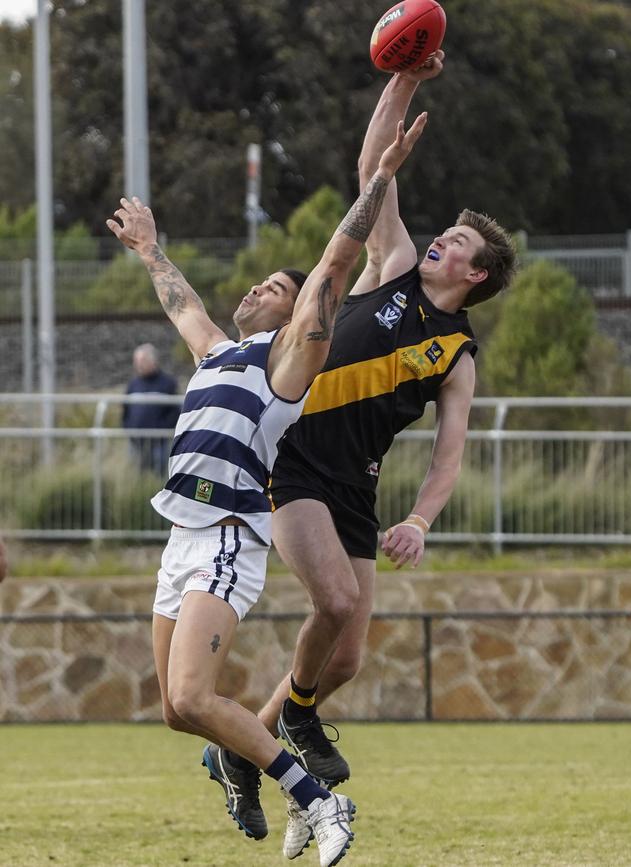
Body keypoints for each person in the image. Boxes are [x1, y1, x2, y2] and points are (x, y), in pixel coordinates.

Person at [106, 112, 427, 867]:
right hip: (181, 536)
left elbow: (335, 265)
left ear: (295, 316)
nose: (260, 287)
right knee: (178, 712)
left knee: (192, 696)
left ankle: (319, 799)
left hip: (226, 537)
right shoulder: (218, 351)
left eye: (275, 286)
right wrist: (151, 248)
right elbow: (180, 303)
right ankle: (246, 762)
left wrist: (380, 178)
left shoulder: (286, 365)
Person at [237, 50, 517, 854]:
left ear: (479, 272)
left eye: (458, 241)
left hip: (353, 484)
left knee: (349, 653)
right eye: (445, 231)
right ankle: (287, 723)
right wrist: (405, 80)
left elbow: (448, 456)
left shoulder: (457, 353)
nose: (441, 240)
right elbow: (371, 169)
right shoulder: (392, 266)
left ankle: (242, 746)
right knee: (332, 603)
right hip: (293, 456)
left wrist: (422, 520)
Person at [123, 343, 180, 474]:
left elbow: (175, 411)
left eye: (142, 360)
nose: (138, 364)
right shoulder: (133, 384)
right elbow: (125, 410)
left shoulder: (168, 383)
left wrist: (162, 428)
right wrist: (128, 429)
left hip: (159, 443)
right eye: (136, 361)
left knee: (159, 478)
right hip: (136, 443)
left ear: (153, 361)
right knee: (136, 477)